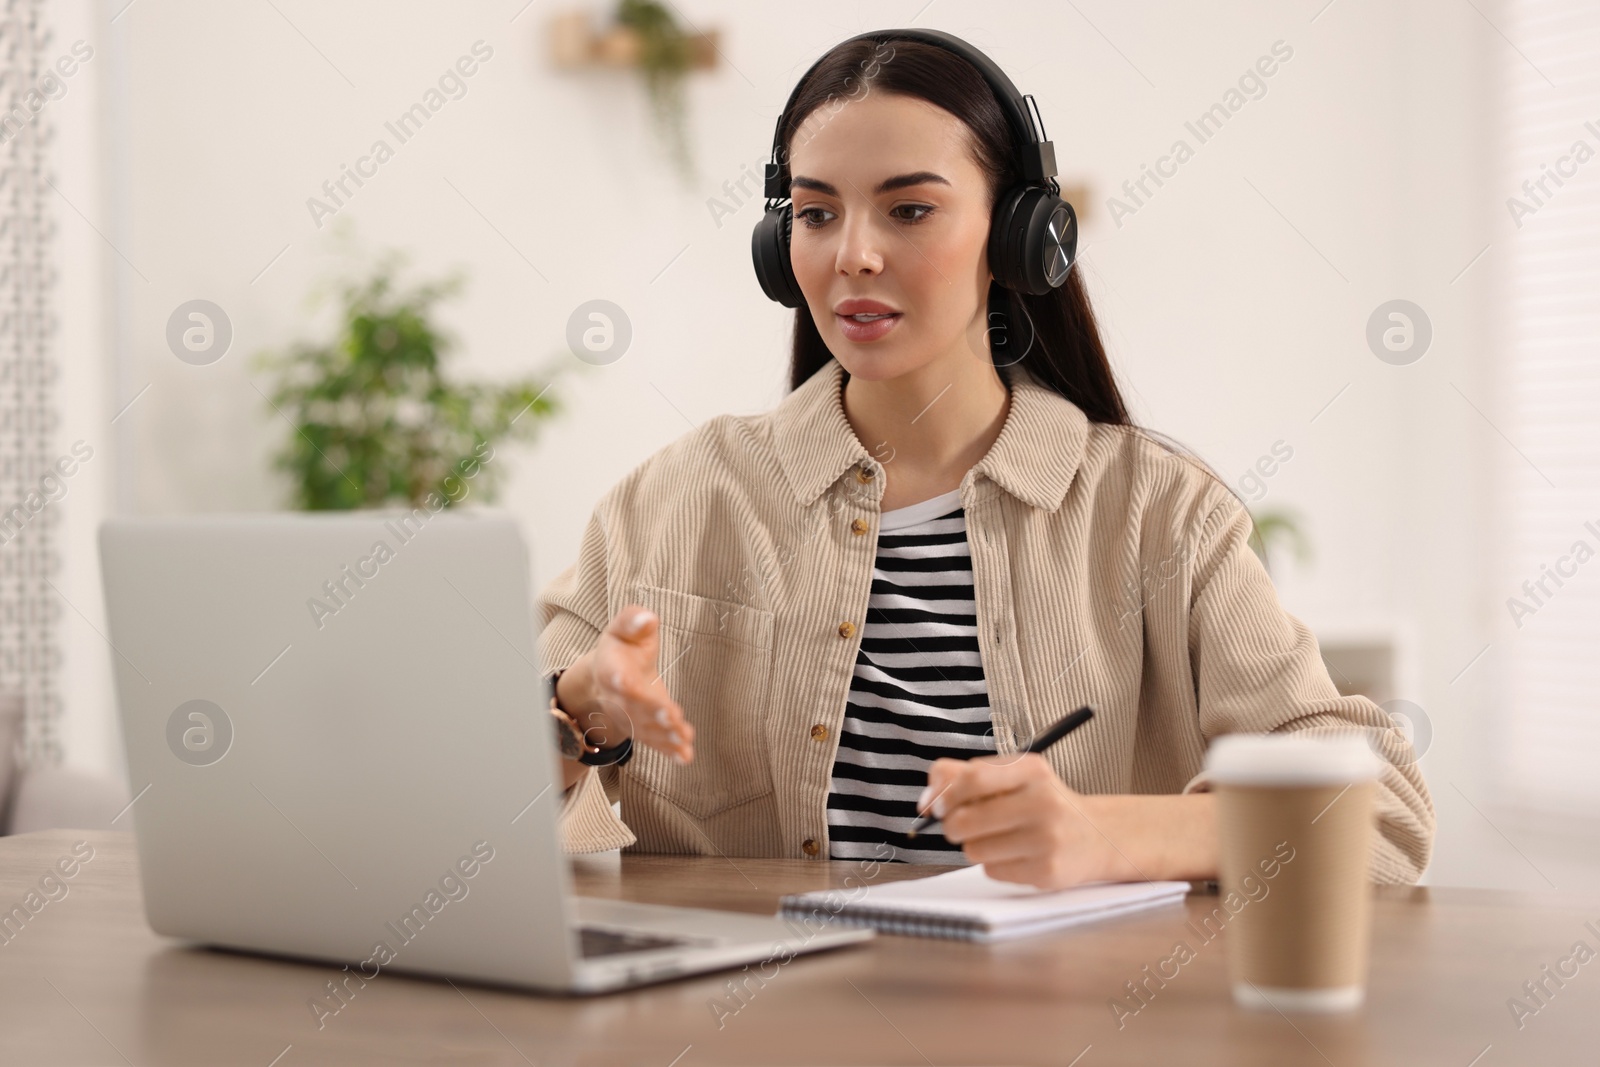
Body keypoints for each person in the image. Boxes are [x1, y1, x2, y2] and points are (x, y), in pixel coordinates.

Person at [537, 32, 1435, 888]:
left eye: (910, 209)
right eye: (815, 214)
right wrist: (580, 715)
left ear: (1018, 237)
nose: (853, 253)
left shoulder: (1161, 514)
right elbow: (454, 805)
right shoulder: (671, 502)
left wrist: (1108, 836)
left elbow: (1384, 815)